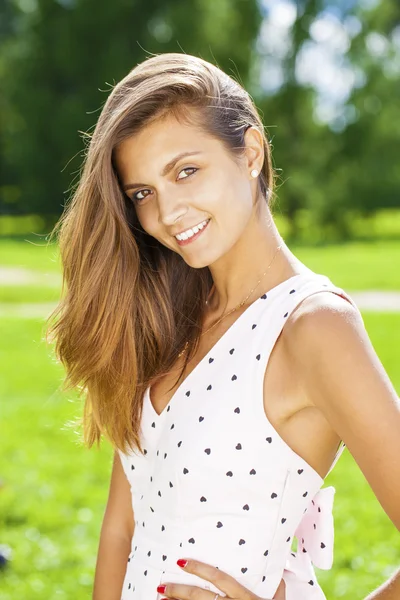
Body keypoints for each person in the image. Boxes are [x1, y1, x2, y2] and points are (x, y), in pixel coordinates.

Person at [46, 53, 400, 600]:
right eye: (143, 194)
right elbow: (122, 529)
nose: (167, 213)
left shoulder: (313, 326)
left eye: (186, 171)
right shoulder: (169, 319)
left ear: (251, 152)